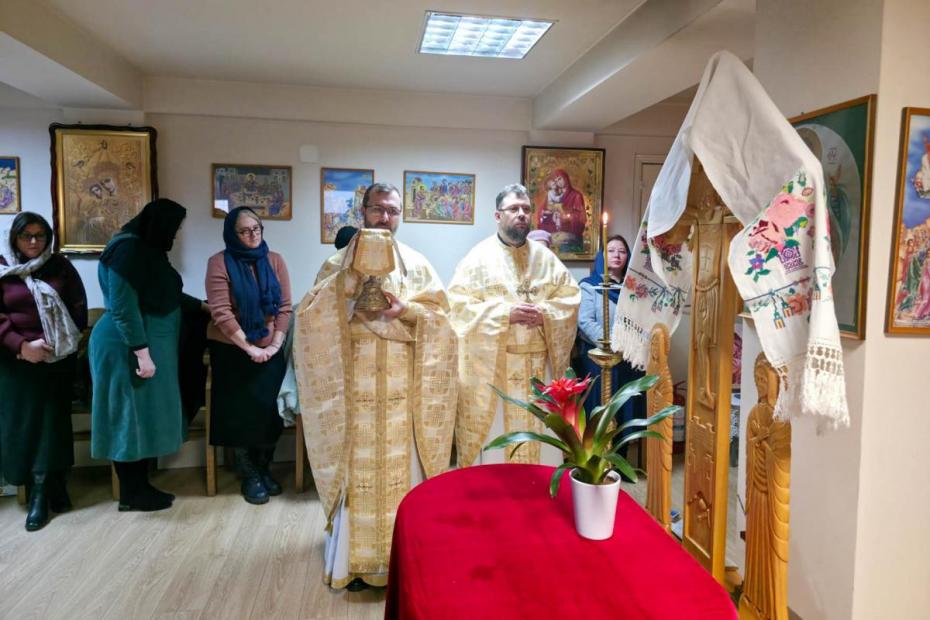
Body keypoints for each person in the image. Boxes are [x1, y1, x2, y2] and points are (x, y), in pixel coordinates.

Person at [294, 182, 456, 590]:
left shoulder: (416, 265)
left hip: (403, 395)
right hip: (354, 394)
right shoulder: (337, 266)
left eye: (393, 211)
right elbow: (310, 320)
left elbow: (443, 321)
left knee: (404, 475)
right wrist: (347, 295)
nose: (385, 218)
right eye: (378, 209)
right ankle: (352, 565)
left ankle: (406, 561)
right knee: (357, 476)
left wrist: (408, 310)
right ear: (362, 211)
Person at [449, 183, 580, 468]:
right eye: (513, 209)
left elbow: (570, 299)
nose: (521, 214)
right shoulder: (477, 259)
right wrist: (503, 314)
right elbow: (458, 308)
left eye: (526, 209)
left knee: (541, 441)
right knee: (497, 447)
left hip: (539, 369)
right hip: (496, 369)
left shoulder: (546, 259)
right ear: (498, 215)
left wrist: (545, 313)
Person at [90, 199, 204, 512]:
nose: (176, 234)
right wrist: (142, 353)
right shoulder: (128, 251)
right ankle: (131, 493)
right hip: (125, 347)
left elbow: (164, 292)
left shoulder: (144, 251)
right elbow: (123, 306)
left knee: (141, 417)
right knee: (127, 418)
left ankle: (140, 486)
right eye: (174, 227)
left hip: (139, 345)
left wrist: (202, 307)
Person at [0, 212, 87, 531]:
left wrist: (59, 343)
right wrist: (23, 346)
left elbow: (78, 306)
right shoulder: (3, 268)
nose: (34, 242)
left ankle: (54, 484)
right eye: (27, 236)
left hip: (57, 360)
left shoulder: (60, 266)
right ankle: (39, 489)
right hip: (16, 363)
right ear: (15, 239)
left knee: (54, 423)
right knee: (27, 425)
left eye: (41, 235)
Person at [206, 207, 291, 505]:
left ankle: (264, 467)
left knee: (270, 411)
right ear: (232, 234)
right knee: (241, 413)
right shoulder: (219, 262)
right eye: (244, 231)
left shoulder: (275, 260)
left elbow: (284, 308)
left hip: (270, 348)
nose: (252, 235)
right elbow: (221, 312)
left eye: (256, 229)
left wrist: (274, 345)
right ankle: (249, 473)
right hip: (233, 349)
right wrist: (250, 348)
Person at [576, 235, 645, 438]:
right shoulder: (589, 285)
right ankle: (597, 455)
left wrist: (629, 344)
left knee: (624, 410)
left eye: (622, 251)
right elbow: (585, 321)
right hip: (599, 359)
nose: (617, 255)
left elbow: (640, 319)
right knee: (601, 411)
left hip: (627, 358)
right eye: (611, 251)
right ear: (602, 256)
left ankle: (621, 453)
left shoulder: (634, 288)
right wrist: (613, 344)